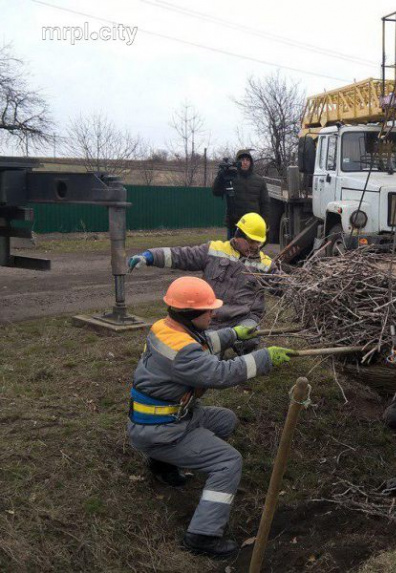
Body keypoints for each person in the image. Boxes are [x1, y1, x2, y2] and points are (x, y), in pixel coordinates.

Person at [127, 276, 293, 558]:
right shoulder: (183, 352)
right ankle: (202, 536)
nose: (214, 313)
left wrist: (235, 334)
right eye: (209, 310)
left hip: (161, 420)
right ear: (192, 314)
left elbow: (203, 343)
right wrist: (265, 358)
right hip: (162, 429)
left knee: (225, 420)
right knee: (228, 462)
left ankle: (162, 465)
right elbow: (220, 374)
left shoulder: (166, 328)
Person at [128, 213, 275, 354]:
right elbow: (183, 256)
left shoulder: (265, 265)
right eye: (251, 241)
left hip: (243, 318)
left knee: (250, 336)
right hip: (212, 319)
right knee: (207, 351)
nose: (255, 246)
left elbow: (282, 284)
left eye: (258, 242)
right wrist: (150, 256)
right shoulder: (214, 250)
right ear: (238, 236)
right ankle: (217, 351)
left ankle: (243, 350)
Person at [212, 149, 269, 240]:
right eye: (242, 160)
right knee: (232, 252)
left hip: (252, 224)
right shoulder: (230, 177)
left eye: (247, 160)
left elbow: (265, 203)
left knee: (251, 251)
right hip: (234, 224)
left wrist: (264, 222)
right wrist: (221, 176)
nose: (245, 162)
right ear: (237, 162)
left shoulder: (259, 180)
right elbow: (216, 192)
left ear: (251, 162)